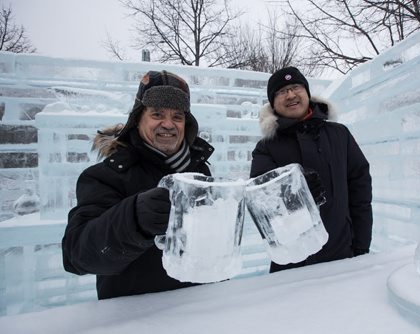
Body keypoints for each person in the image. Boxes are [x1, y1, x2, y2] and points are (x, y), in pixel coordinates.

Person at [62, 70, 214, 299]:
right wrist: (134, 219)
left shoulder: (200, 173)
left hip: (203, 309)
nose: (168, 124)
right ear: (137, 118)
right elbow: (76, 255)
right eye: (157, 114)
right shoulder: (106, 176)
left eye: (177, 117)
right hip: (135, 318)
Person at [250, 66, 373, 273]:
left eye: (296, 87)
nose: (290, 95)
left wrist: (361, 245)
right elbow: (261, 201)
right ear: (273, 103)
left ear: (307, 93)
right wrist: (295, 193)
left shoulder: (340, 135)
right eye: (281, 92)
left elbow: (360, 192)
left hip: (342, 256)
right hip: (291, 265)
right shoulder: (266, 147)